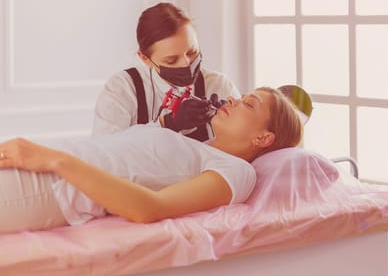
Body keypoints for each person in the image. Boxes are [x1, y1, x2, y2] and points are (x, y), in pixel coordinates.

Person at [0, 87, 303, 234]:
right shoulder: (193, 142)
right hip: (35, 156)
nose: (233, 99)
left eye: (249, 104)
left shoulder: (237, 171)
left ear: (263, 138)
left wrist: (55, 161)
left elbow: (150, 209)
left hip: (52, 184)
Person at [92, 2, 240, 142]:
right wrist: (167, 124)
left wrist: (230, 122)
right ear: (145, 58)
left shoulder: (219, 85)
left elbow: (248, 141)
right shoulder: (122, 89)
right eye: (171, 60)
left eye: (191, 52)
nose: (186, 64)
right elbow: (106, 152)